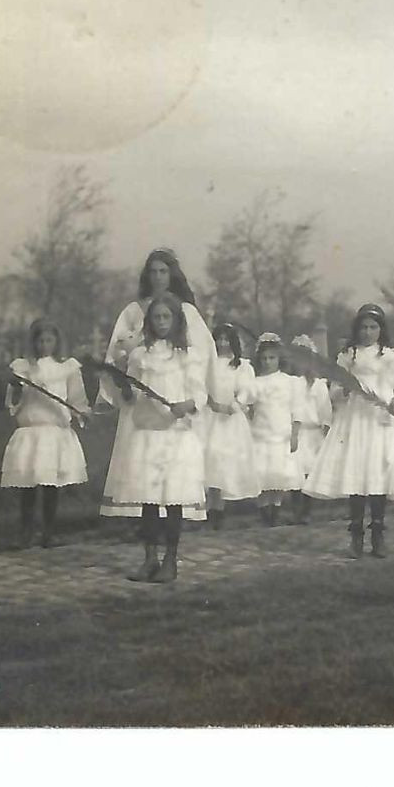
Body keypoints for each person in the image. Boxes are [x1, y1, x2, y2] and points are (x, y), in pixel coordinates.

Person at [98, 248, 217, 521]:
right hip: (144, 392)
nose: (158, 277)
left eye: (163, 271)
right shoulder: (133, 310)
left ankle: (175, 514)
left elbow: (203, 351)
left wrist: (206, 394)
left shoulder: (186, 311)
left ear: (172, 274)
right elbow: (116, 351)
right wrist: (126, 354)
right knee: (140, 462)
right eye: (153, 272)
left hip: (176, 393)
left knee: (176, 466)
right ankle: (140, 517)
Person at [110, 293, 206, 583]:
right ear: (149, 322)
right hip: (147, 434)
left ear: (176, 320)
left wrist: (184, 406)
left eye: (167, 317)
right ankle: (149, 557)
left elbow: (200, 393)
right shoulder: (140, 355)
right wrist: (125, 388)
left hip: (175, 435)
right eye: (156, 317)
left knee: (173, 499)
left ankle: (170, 560)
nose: (162, 322)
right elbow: (132, 396)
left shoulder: (188, 355)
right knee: (148, 501)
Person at [304, 304, 394, 559]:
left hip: (381, 420)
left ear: (381, 329)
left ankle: (378, 532)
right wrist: (344, 391)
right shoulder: (348, 356)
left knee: (378, 474)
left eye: (373, 327)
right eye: (363, 327)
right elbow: (334, 392)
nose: (368, 332)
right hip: (355, 420)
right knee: (358, 474)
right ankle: (356, 534)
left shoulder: (392, 357)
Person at [1, 319, 88, 548]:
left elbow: (77, 399)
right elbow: (13, 404)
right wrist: (18, 389)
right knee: (28, 485)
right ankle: (25, 532)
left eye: (49, 340)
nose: (44, 345)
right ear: (33, 341)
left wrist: (81, 413)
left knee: (51, 485)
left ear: (57, 341)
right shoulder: (22, 368)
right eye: (40, 340)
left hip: (55, 433)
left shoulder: (67, 367)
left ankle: (48, 532)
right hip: (31, 432)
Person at [201, 323, 257, 527]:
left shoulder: (241, 365)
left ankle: (220, 510)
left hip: (230, 418)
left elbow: (247, 391)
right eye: (219, 339)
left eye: (226, 339)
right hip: (210, 416)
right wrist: (210, 403)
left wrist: (233, 405)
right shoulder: (209, 363)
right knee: (210, 458)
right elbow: (201, 385)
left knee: (224, 462)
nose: (222, 343)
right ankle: (209, 508)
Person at [248, 333, 306, 526]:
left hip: (281, 431)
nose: (267, 362)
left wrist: (295, 433)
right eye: (264, 358)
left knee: (279, 474)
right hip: (260, 431)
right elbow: (248, 406)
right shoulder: (255, 382)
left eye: (271, 358)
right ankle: (265, 512)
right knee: (263, 475)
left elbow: (297, 409)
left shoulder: (290, 381)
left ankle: (276, 509)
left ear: (279, 359)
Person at [290, 335, 332, 520]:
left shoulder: (320, 385)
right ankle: (296, 509)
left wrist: (326, 428)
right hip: (298, 430)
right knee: (296, 469)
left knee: (311, 471)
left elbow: (325, 409)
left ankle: (307, 510)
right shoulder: (292, 383)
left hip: (314, 431)